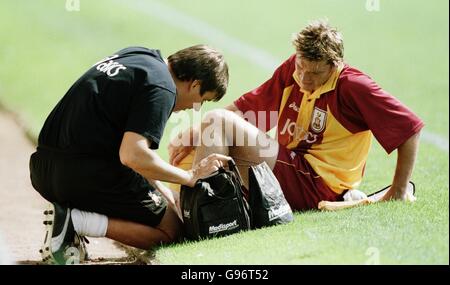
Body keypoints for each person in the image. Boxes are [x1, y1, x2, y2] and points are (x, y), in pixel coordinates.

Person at [169, 20, 423, 212]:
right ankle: (198, 210)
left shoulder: (353, 86)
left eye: (314, 73)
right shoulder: (293, 68)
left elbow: (409, 128)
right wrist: (195, 132)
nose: (303, 77)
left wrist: (398, 190)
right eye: (301, 67)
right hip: (290, 169)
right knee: (192, 150)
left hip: (316, 182)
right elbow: (248, 111)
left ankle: (205, 215)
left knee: (216, 122)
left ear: (334, 66)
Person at [29, 45, 231, 264]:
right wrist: (190, 177)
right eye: (203, 100)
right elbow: (132, 156)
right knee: (172, 231)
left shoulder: (139, 56)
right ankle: (75, 221)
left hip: (43, 169)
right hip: (79, 175)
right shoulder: (162, 88)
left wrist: (161, 188)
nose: (196, 108)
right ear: (195, 84)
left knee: (156, 203)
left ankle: (69, 225)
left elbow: (126, 149)